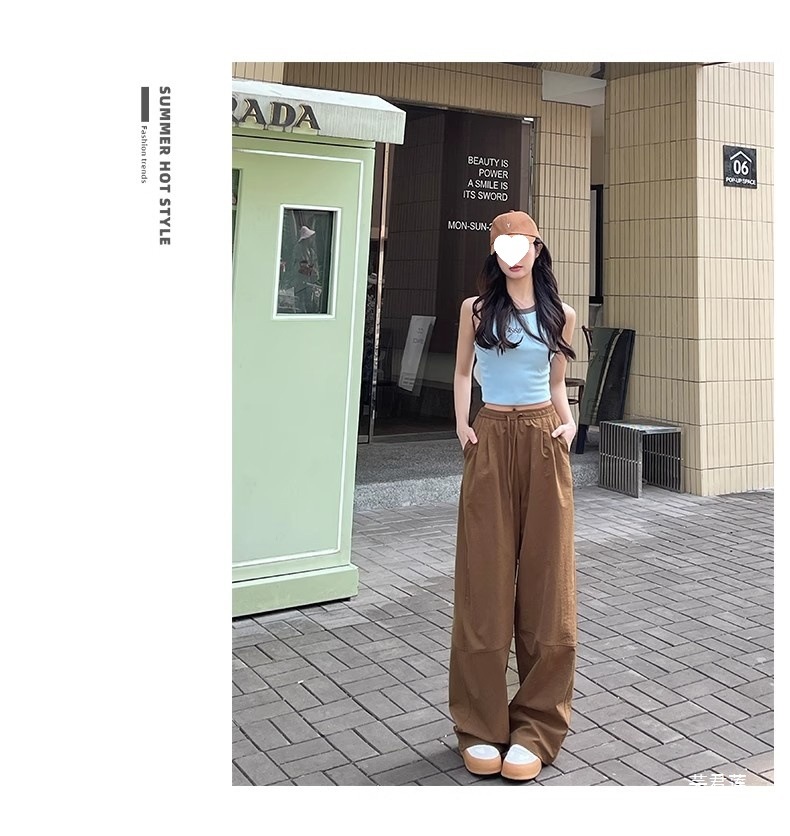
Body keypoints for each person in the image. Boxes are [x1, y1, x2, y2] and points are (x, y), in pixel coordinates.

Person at [449, 210, 577, 782]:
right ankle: (480, 725)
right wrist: (462, 424)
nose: (515, 256)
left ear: (536, 249)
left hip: (544, 440)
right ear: (495, 252)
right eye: (504, 246)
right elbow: (462, 373)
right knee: (484, 584)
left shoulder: (559, 315)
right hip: (491, 436)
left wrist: (569, 424)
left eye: (523, 245)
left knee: (549, 586)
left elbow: (555, 383)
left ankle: (538, 727)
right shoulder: (475, 310)